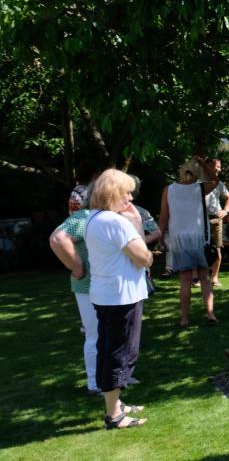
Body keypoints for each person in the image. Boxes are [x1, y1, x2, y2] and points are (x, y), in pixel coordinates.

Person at [84, 169, 153, 429]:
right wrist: (136, 224)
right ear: (112, 193)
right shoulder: (116, 222)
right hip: (122, 296)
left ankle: (114, 404)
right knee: (121, 353)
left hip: (104, 294)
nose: (130, 198)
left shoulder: (93, 218)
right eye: (126, 193)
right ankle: (114, 415)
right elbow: (143, 257)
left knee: (107, 349)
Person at [160, 157, 220, 327]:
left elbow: (164, 217)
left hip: (179, 239)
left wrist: (161, 239)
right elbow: (216, 180)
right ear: (197, 174)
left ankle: (184, 319)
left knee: (185, 280)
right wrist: (203, 164)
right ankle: (210, 314)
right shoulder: (199, 188)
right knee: (205, 278)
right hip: (199, 238)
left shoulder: (168, 190)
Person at [49, 207, 100, 396]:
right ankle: (95, 383)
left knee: (104, 335)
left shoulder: (99, 215)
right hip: (88, 284)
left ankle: (114, 379)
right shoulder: (84, 216)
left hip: (102, 284)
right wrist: (77, 267)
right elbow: (58, 239)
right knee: (95, 335)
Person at [204, 159, 229, 287]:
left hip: (216, 218)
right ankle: (198, 278)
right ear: (208, 166)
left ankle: (214, 278)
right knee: (198, 248)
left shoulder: (219, 184)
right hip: (200, 219)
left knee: (217, 248)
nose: (219, 170)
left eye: (220, 167)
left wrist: (225, 210)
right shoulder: (197, 182)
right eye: (218, 167)